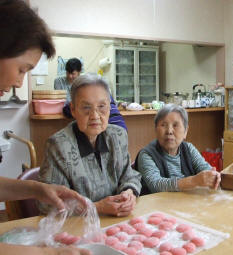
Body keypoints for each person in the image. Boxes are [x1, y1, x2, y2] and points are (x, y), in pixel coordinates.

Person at [0, 1, 90, 254]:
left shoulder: (116, 138)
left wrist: (37, 189)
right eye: (22, 69)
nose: (19, 82)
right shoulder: (60, 143)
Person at [39, 74, 141, 217]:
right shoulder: (59, 145)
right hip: (78, 228)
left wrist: (129, 193)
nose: (95, 115)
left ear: (110, 108)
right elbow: (47, 204)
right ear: (73, 110)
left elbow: (129, 176)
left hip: (116, 222)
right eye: (86, 107)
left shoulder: (118, 136)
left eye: (101, 107)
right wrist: (97, 207)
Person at [135, 104, 221, 194]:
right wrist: (194, 181)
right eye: (163, 125)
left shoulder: (189, 149)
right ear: (156, 130)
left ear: (185, 131)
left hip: (184, 203)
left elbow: (205, 169)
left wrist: (213, 176)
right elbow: (156, 185)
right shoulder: (146, 154)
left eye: (175, 125)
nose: (169, 131)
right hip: (157, 206)